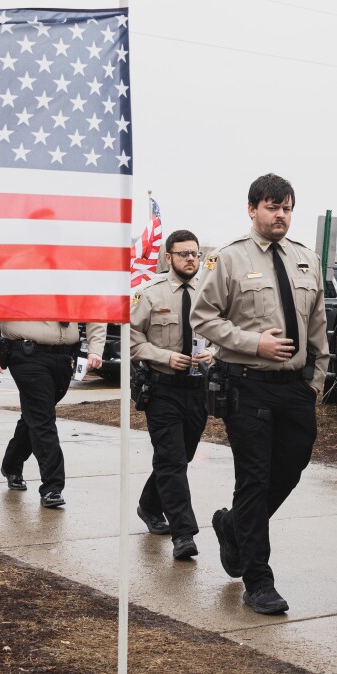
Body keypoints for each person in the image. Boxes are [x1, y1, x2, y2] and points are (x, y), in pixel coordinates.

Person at [191, 173, 330, 616]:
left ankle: (234, 525)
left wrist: (316, 381)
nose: (281, 215)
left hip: (295, 389)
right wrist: (254, 343)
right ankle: (258, 580)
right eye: (272, 207)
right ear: (253, 210)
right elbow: (203, 318)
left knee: (290, 469)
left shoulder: (307, 259)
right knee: (254, 478)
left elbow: (319, 327)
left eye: (287, 207)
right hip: (247, 385)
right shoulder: (228, 259)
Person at [130, 230, 216, 561]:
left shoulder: (208, 293)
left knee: (180, 457)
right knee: (172, 459)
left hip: (196, 389)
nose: (191, 259)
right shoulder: (148, 293)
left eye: (195, 254)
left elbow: (222, 331)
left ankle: (149, 505)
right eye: (184, 254)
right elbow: (131, 338)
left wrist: (212, 351)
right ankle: (183, 533)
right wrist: (164, 356)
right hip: (162, 388)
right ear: (169, 258)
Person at [0, 320, 102, 509]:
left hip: (65, 356)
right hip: (27, 354)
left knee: (35, 416)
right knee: (43, 419)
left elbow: (95, 308)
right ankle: (52, 486)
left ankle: (11, 464)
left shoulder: (73, 288)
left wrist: (95, 348)